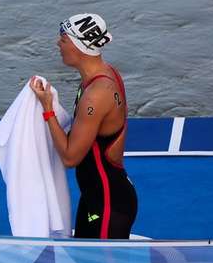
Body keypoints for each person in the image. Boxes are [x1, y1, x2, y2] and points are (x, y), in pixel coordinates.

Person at [30, 14, 138, 239]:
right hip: (97, 198)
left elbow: (70, 158)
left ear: (79, 48)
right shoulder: (106, 72)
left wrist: (47, 108)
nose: (58, 43)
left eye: (63, 39)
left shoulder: (95, 96)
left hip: (108, 205)